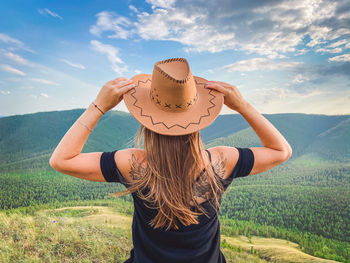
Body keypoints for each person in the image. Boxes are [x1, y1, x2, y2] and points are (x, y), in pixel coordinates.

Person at [49, 57, 292, 263]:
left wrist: (99, 106)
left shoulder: (133, 165)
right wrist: (243, 106)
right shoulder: (221, 162)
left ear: (147, 122)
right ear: (198, 121)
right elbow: (281, 151)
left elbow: (62, 160)